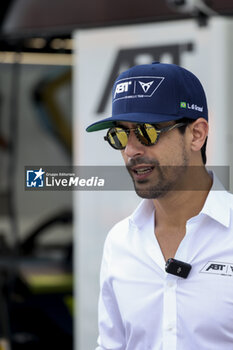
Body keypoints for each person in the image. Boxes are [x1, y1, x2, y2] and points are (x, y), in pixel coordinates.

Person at [86, 62, 233, 350]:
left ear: (196, 134)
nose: (131, 150)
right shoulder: (119, 242)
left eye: (146, 132)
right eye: (120, 134)